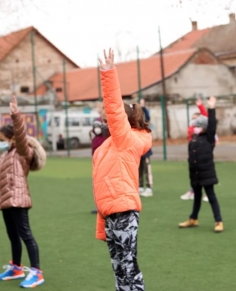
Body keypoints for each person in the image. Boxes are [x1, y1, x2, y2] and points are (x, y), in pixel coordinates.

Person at [94, 49, 151, 291]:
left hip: (125, 211)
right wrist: (101, 221)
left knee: (129, 267)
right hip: (111, 213)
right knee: (118, 267)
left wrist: (107, 73)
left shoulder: (124, 139)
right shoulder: (108, 146)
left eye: (110, 120)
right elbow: (103, 186)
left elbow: (115, 107)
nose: (106, 122)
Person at [0, 96, 47, 288]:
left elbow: (20, 134)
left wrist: (16, 115)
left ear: (12, 139)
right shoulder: (5, 155)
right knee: (12, 235)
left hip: (18, 199)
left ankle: (36, 272)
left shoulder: (23, 151)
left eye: (1, 140)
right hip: (6, 200)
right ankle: (16, 267)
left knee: (26, 234)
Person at [178, 96, 224, 233]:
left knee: (211, 197)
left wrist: (211, 107)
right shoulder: (193, 140)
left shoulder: (209, 139)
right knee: (196, 198)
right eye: (195, 126)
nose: (196, 128)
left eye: (198, 126)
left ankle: (218, 221)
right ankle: (193, 218)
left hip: (207, 174)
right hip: (195, 175)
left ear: (204, 128)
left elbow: (212, 125)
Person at [180, 97, 210, 202]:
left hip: (202, 157)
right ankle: (192, 191)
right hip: (193, 156)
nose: (193, 120)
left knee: (205, 175)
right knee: (194, 175)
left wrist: (200, 106)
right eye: (192, 118)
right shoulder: (191, 130)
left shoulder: (203, 132)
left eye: (195, 118)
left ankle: (206, 193)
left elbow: (206, 117)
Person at [90, 109, 109, 215]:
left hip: (105, 156)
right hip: (97, 154)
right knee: (97, 182)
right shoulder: (97, 120)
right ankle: (99, 205)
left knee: (104, 181)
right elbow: (95, 132)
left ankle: (104, 205)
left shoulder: (108, 125)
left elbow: (97, 131)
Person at [139, 98, 153, 198]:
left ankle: (148, 188)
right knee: (138, 170)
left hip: (146, 152)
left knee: (147, 169)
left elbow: (147, 116)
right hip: (138, 152)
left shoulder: (146, 128)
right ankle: (139, 187)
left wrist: (143, 107)